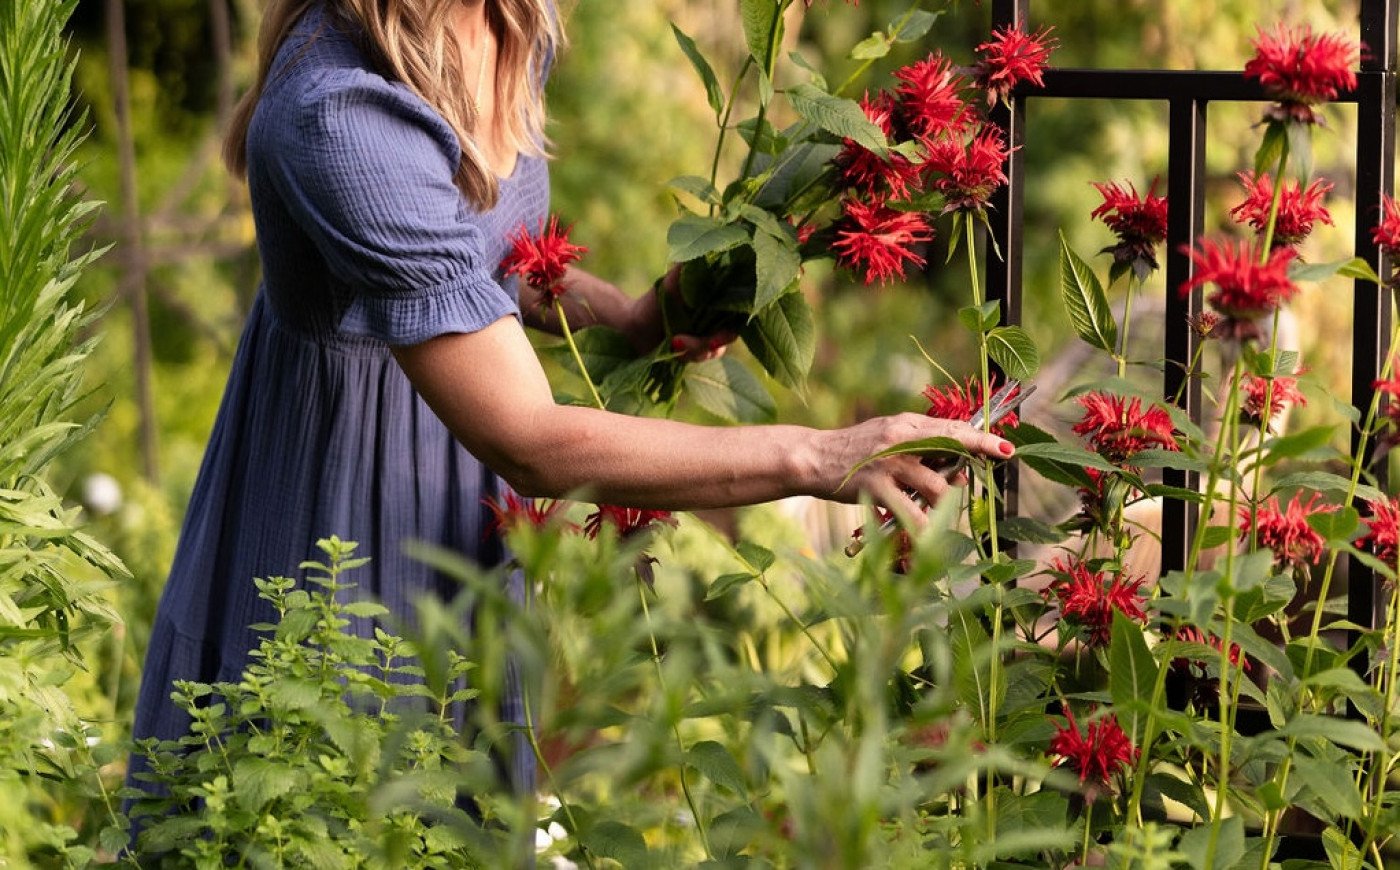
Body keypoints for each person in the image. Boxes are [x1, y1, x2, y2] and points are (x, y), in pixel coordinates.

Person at [128, 0, 1014, 802]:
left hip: (458, 491)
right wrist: (817, 457)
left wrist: (626, 316)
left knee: (456, 801)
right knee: (336, 790)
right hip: (346, 503)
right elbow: (528, 438)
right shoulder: (340, 113)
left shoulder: (512, 23)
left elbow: (477, 264)